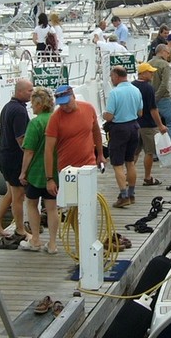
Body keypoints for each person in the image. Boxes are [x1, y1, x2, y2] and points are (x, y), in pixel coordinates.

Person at [44, 85, 106, 223]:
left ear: (73, 96)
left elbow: (96, 132)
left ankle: (88, 237)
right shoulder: (55, 118)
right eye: (61, 104)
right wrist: (49, 179)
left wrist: (100, 154)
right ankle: (79, 236)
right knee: (72, 207)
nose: (64, 107)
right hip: (67, 170)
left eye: (67, 102)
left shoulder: (88, 108)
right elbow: (48, 150)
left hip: (88, 165)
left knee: (88, 203)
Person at [0, 78, 34, 246]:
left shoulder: (8, 106)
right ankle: (20, 230)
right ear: (20, 91)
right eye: (29, 91)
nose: (32, 93)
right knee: (18, 196)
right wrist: (31, 158)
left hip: (3, 155)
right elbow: (21, 140)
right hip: (13, 158)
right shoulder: (20, 111)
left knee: (10, 193)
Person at [19, 87, 56, 252]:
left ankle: (35, 239)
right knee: (52, 207)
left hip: (36, 171)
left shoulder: (35, 123)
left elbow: (29, 150)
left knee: (32, 204)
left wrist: (23, 172)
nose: (31, 107)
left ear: (40, 104)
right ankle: (53, 244)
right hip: (54, 170)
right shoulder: (56, 119)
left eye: (33, 103)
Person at [103, 65, 143, 208]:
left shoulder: (115, 93)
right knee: (130, 162)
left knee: (117, 164)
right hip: (134, 127)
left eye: (112, 76)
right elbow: (140, 113)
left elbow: (109, 116)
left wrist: (104, 115)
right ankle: (131, 194)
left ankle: (124, 195)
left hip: (119, 129)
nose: (111, 79)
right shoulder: (136, 90)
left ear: (116, 76)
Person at [133, 62, 169, 186]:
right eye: (150, 72)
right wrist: (160, 125)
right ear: (142, 74)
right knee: (149, 152)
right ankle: (147, 177)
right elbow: (153, 109)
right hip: (148, 125)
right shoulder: (148, 88)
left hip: (135, 124)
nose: (152, 74)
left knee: (134, 152)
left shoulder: (132, 86)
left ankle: (128, 177)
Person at [149, 44, 171, 143]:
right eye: (168, 53)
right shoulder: (164, 64)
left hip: (151, 99)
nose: (168, 55)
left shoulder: (149, 63)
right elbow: (164, 84)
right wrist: (157, 97)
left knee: (155, 125)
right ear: (162, 51)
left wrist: (152, 98)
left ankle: (156, 151)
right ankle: (170, 147)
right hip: (164, 98)